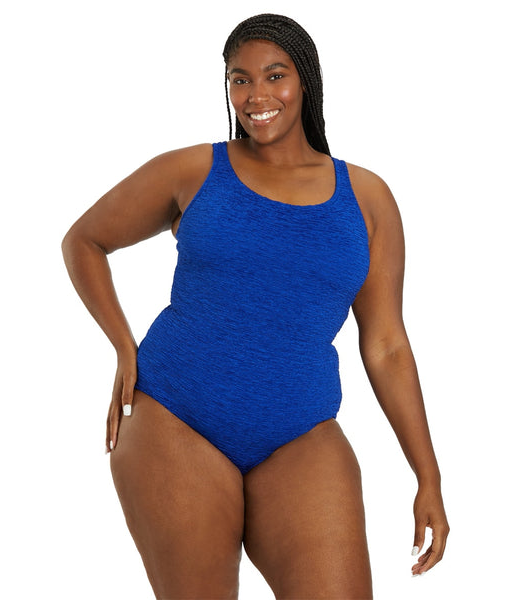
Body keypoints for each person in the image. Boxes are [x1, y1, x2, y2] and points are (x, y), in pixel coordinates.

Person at [62, 13, 449, 599]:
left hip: (300, 431)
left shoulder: (367, 198)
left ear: (305, 80)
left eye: (274, 75)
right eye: (239, 80)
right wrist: (123, 346)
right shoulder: (194, 170)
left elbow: (387, 344)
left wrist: (428, 475)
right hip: (176, 415)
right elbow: (85, 240)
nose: (256, 95)